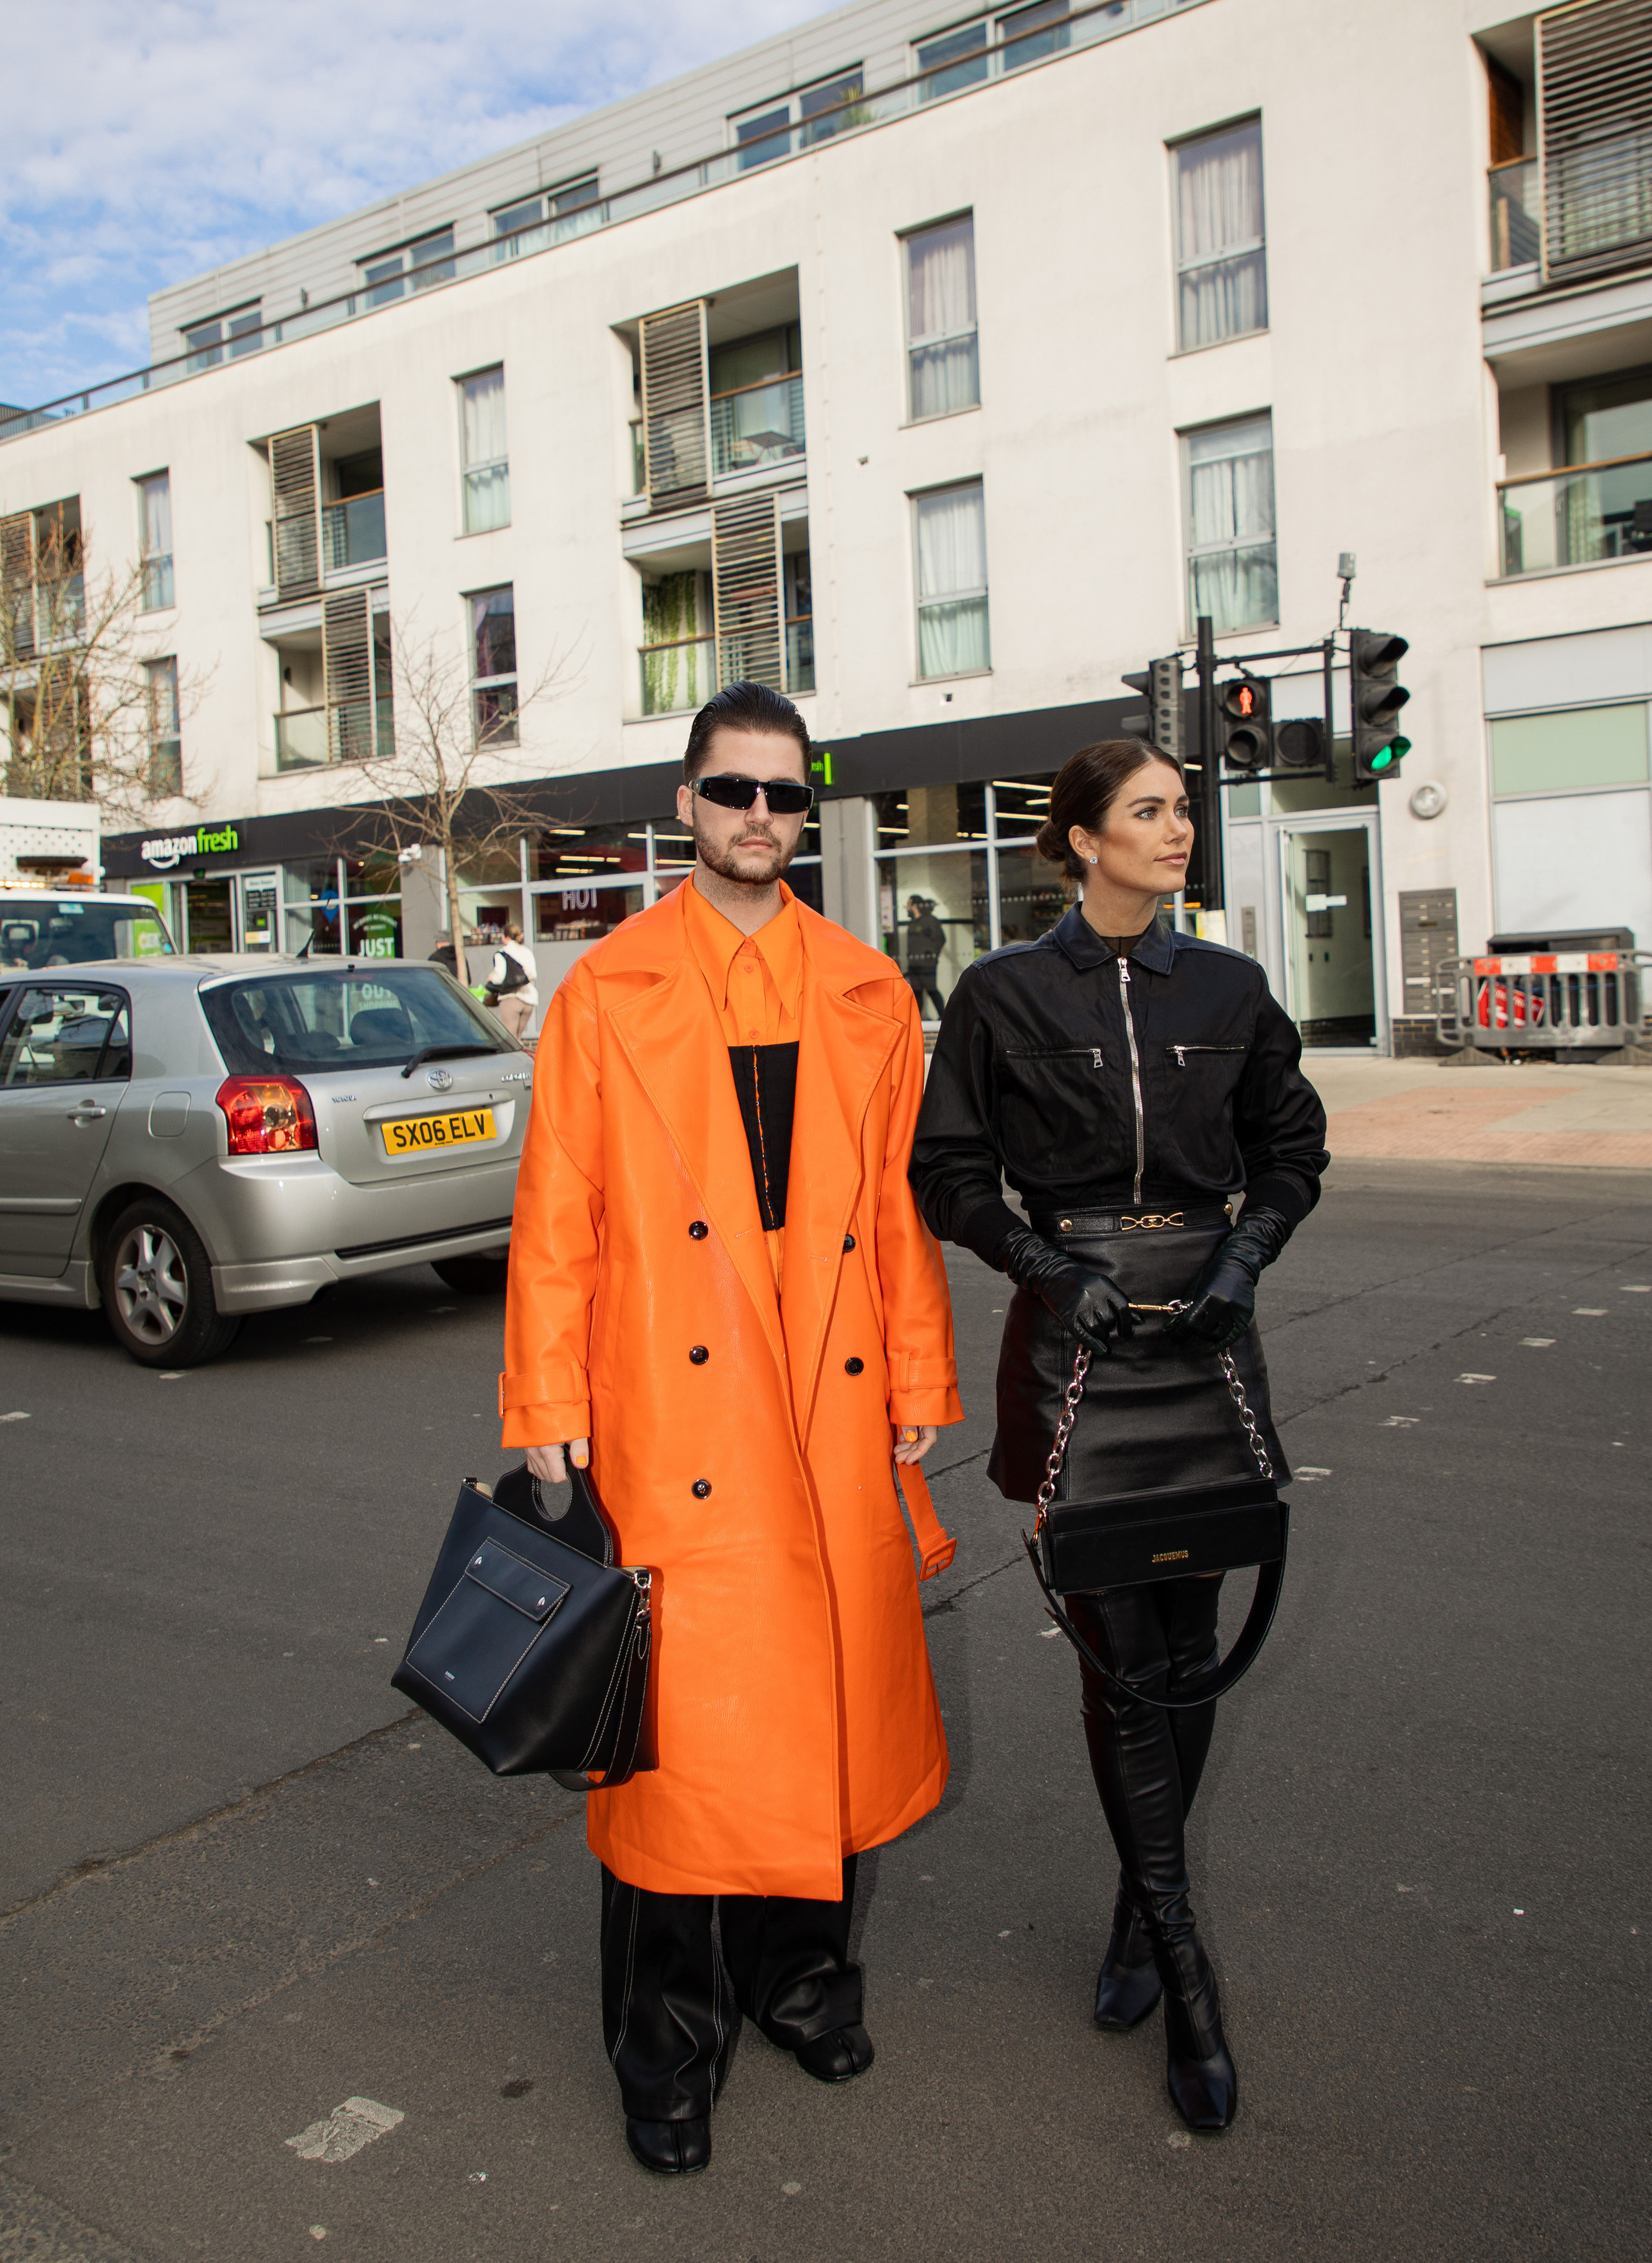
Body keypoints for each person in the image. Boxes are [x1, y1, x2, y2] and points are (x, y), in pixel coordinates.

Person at [500, 679, 962, 2178]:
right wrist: (546, 1417)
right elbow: (554, 1222)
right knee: (682, 1751)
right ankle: (664, 2042)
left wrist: (911, 1387)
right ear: (682, 806)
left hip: (824, 1407)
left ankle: (798, 1979)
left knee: (814, 1719)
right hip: (672, 1410)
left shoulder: (867, 990)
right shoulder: (606, 991)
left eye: (781, 793)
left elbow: (893, 1215)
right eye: (731, 790)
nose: (758, 815)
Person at [910, 736, 1328, 2137]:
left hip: (1205, 1333)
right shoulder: (1000, 995)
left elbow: (1291, 1145)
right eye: (1148, 812)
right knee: (1121, 1658)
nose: (1178, 833)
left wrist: (1241, 1259)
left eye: (1183, 814)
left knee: (1190, 1649)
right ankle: (1181, 1962)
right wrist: (1041, 1265)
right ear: (1080, 840)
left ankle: (1138, 1909)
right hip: (1076, 1339)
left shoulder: (1230, 988)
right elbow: (947, 1172)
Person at [486, 921, 538, 1040]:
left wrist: (491, 978)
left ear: (507, 937)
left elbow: (499, 978)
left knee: (510, 1040)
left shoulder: (502, 953)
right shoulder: (527, 951)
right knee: (518, 1039)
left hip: (511, 998)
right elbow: (533, 974)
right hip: (530, 1000)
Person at [903, 894, 947, 1022]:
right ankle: (917, 1021)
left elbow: (941, 939)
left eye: (909, 905)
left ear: (915, 906)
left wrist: (931, 954)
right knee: (916, 993)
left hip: (927, 965)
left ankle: (944, 1018)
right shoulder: (913, 923)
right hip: (914, 964)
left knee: (931, 990)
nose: (907, 908)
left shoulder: (930, 921)